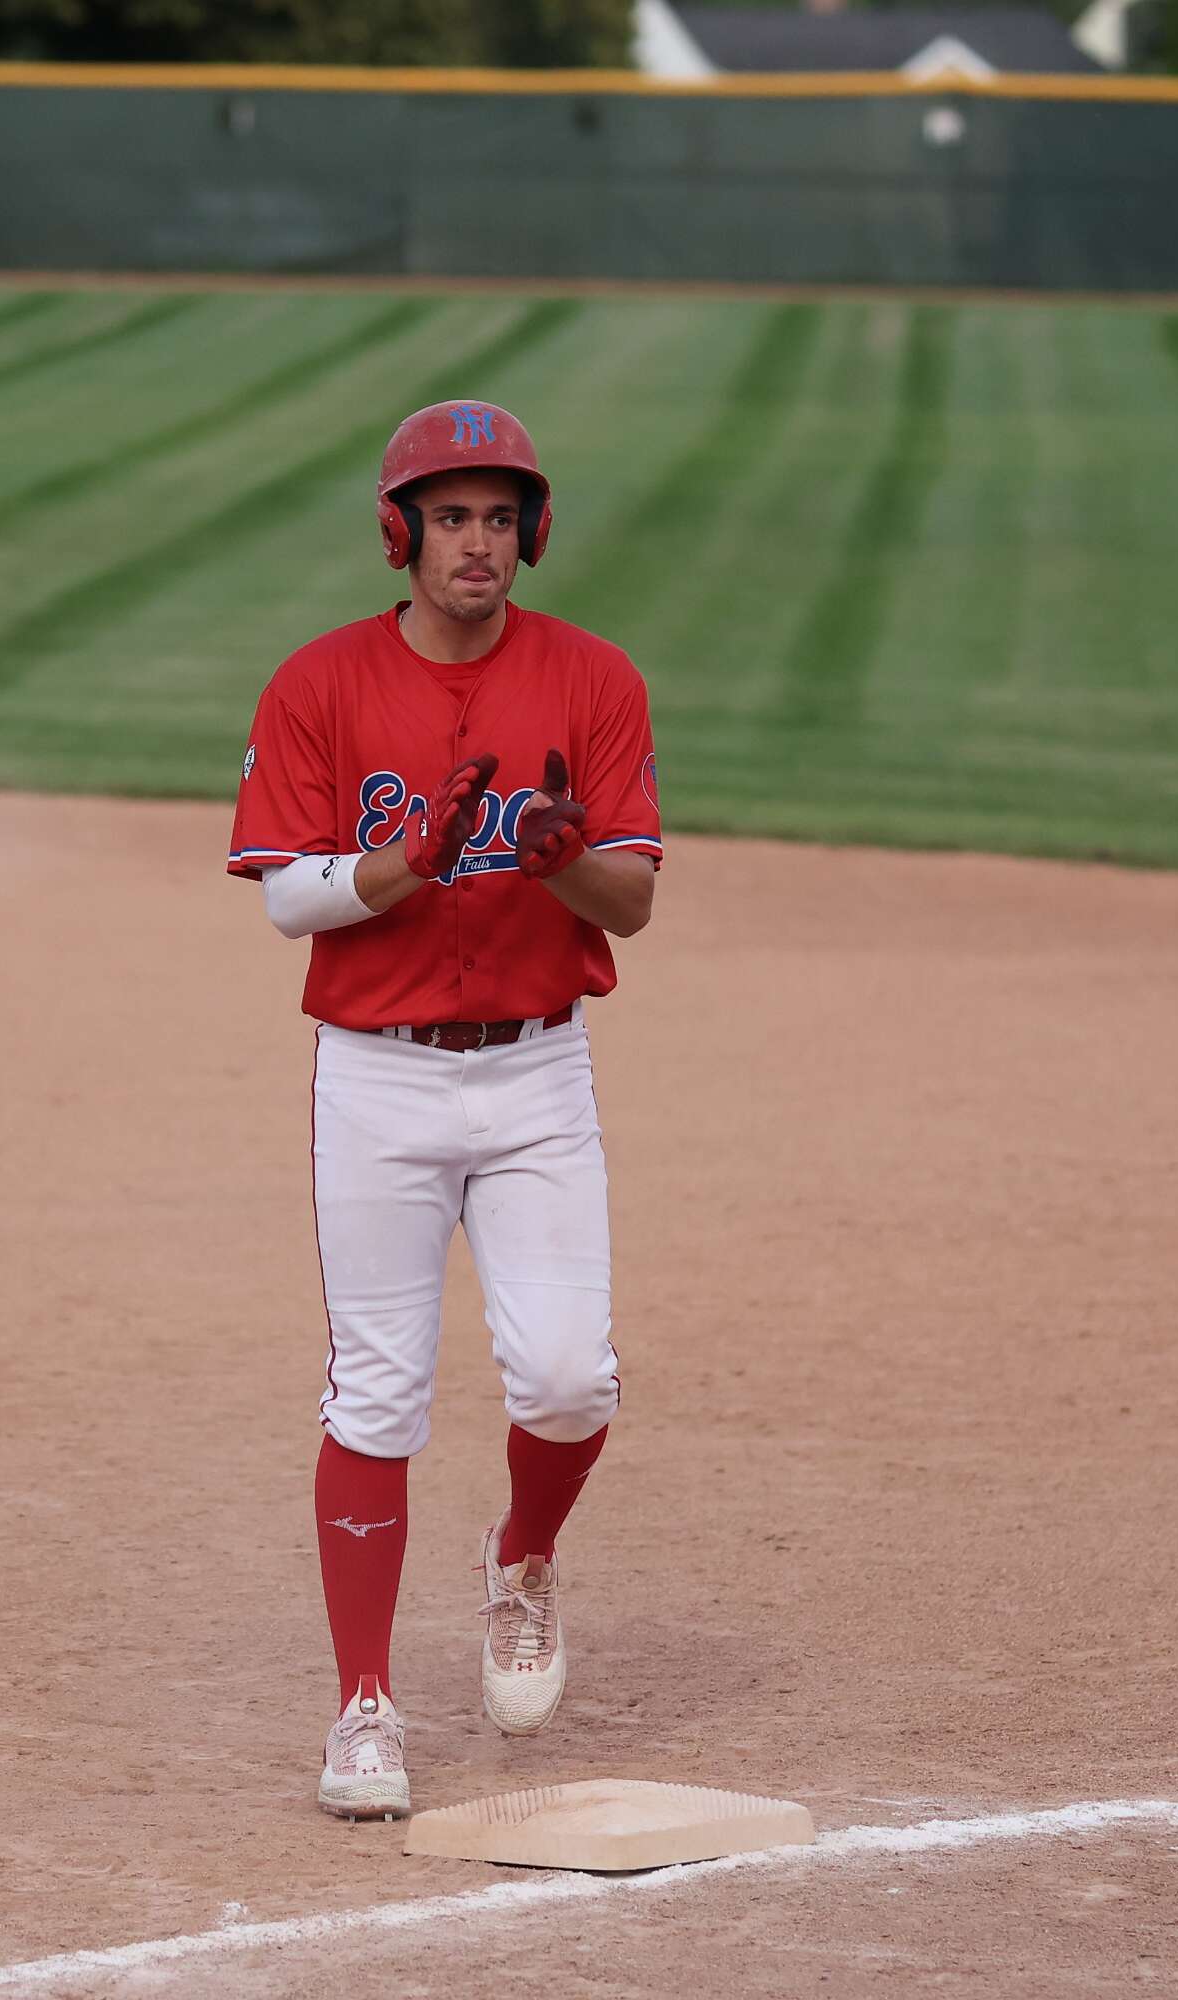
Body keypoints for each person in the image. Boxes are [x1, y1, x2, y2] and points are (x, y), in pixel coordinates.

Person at [227, 400, 662, 1819]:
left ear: (532, 534)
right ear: (399, 531)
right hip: (379, 1078)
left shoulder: (593, 679)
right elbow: (289, 896)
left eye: (499, 517)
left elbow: (631, 903)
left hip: (537, 1073)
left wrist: (559, 859)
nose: (476, 542)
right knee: (378, 1388)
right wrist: (403, 865)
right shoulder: (320, 683)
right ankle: (363, 1706)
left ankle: (522, 1560)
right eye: (451, 516)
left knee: (569, 1379)